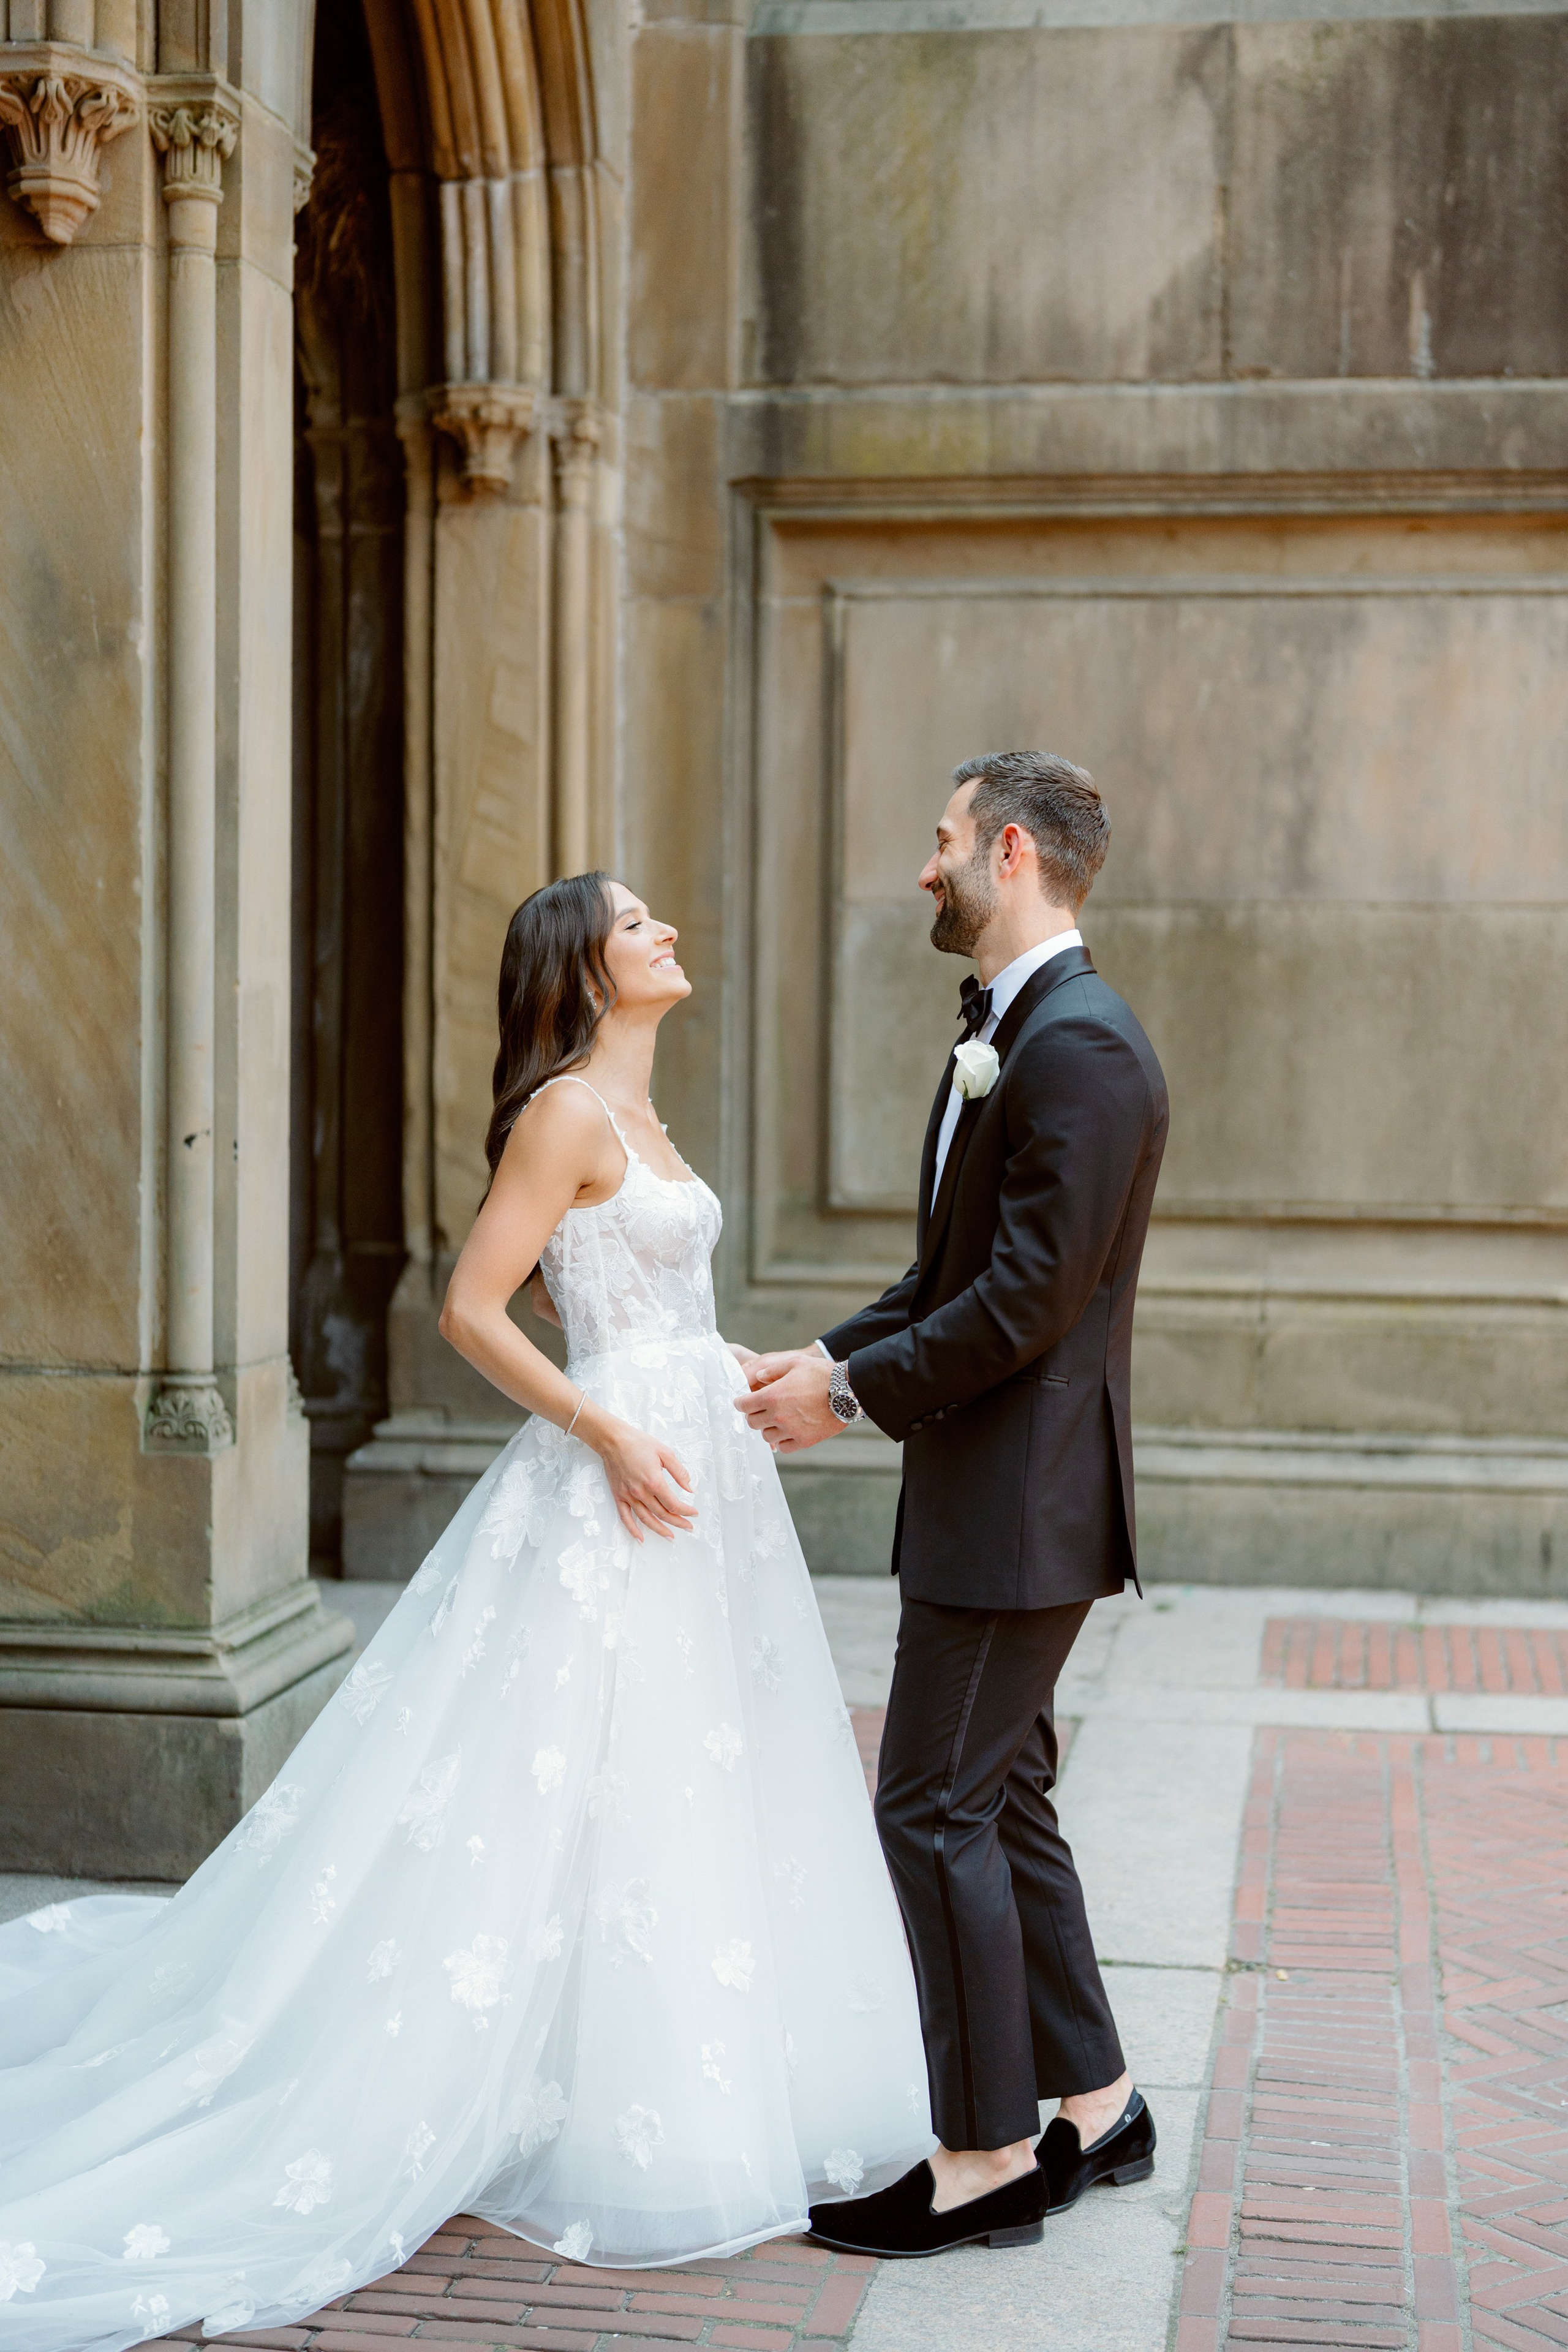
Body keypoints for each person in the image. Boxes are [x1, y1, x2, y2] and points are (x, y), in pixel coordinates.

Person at [0, 874, 932, 2352]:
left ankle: (646, 2079)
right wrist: (608, 1427)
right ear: (582, 966)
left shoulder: (644, 1123)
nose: (668, 933)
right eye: (638, 927)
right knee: (570, 1769)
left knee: (681, 1772)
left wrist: (706, 1363)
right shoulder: (566, 1110)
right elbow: (471, 1307)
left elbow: (636, 1291)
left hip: (694, 1463)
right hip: (611, 1476)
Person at [737, 751, 1168, 2258]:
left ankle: (984, 2157)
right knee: (1002, 1801)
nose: (922, 871)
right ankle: (1097, 2108)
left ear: (1007, 849)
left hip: (1018, 1512)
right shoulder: (1003, 1037)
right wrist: (825, 1355)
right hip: (995, 1501)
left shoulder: (1082, 1049)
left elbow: (1029, 1303)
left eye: (937, 844)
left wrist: (848, 1403)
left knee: (926, 1810)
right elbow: (945, 1277)